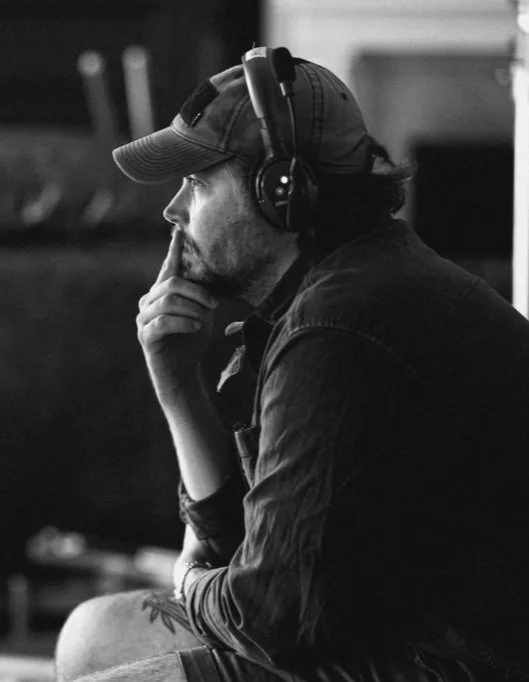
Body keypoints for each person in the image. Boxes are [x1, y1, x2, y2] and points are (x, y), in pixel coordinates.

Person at [55, 46, 529, 682]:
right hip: (376, 624)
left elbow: (268, 616)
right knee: (92, 635)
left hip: (442, 663)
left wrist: (190, 580)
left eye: (197, 183)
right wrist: (177, 383)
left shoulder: (338, 330)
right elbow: (242, 548)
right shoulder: (340, 288)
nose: (174, 209)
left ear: (281, 192)